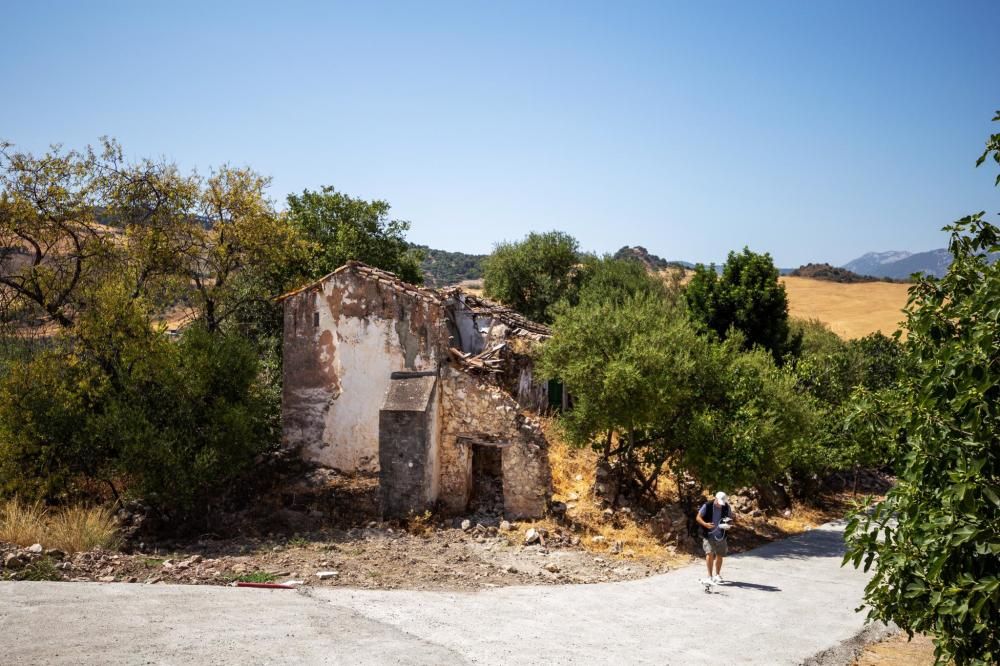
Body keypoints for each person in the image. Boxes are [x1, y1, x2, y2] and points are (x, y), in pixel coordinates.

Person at [695, 491, 732, 583]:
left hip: (721, 535)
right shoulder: (707, 506)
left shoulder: (727, 507)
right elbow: (698, 517)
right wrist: (705, 524)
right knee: (709, 553)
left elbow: (730, 519)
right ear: (715, 498)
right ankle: (709, 576)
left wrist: (728, 525)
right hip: (709, 534)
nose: (720, 505)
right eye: (719, 503)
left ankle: (717, 575)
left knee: (720, 555)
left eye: (722, 503)